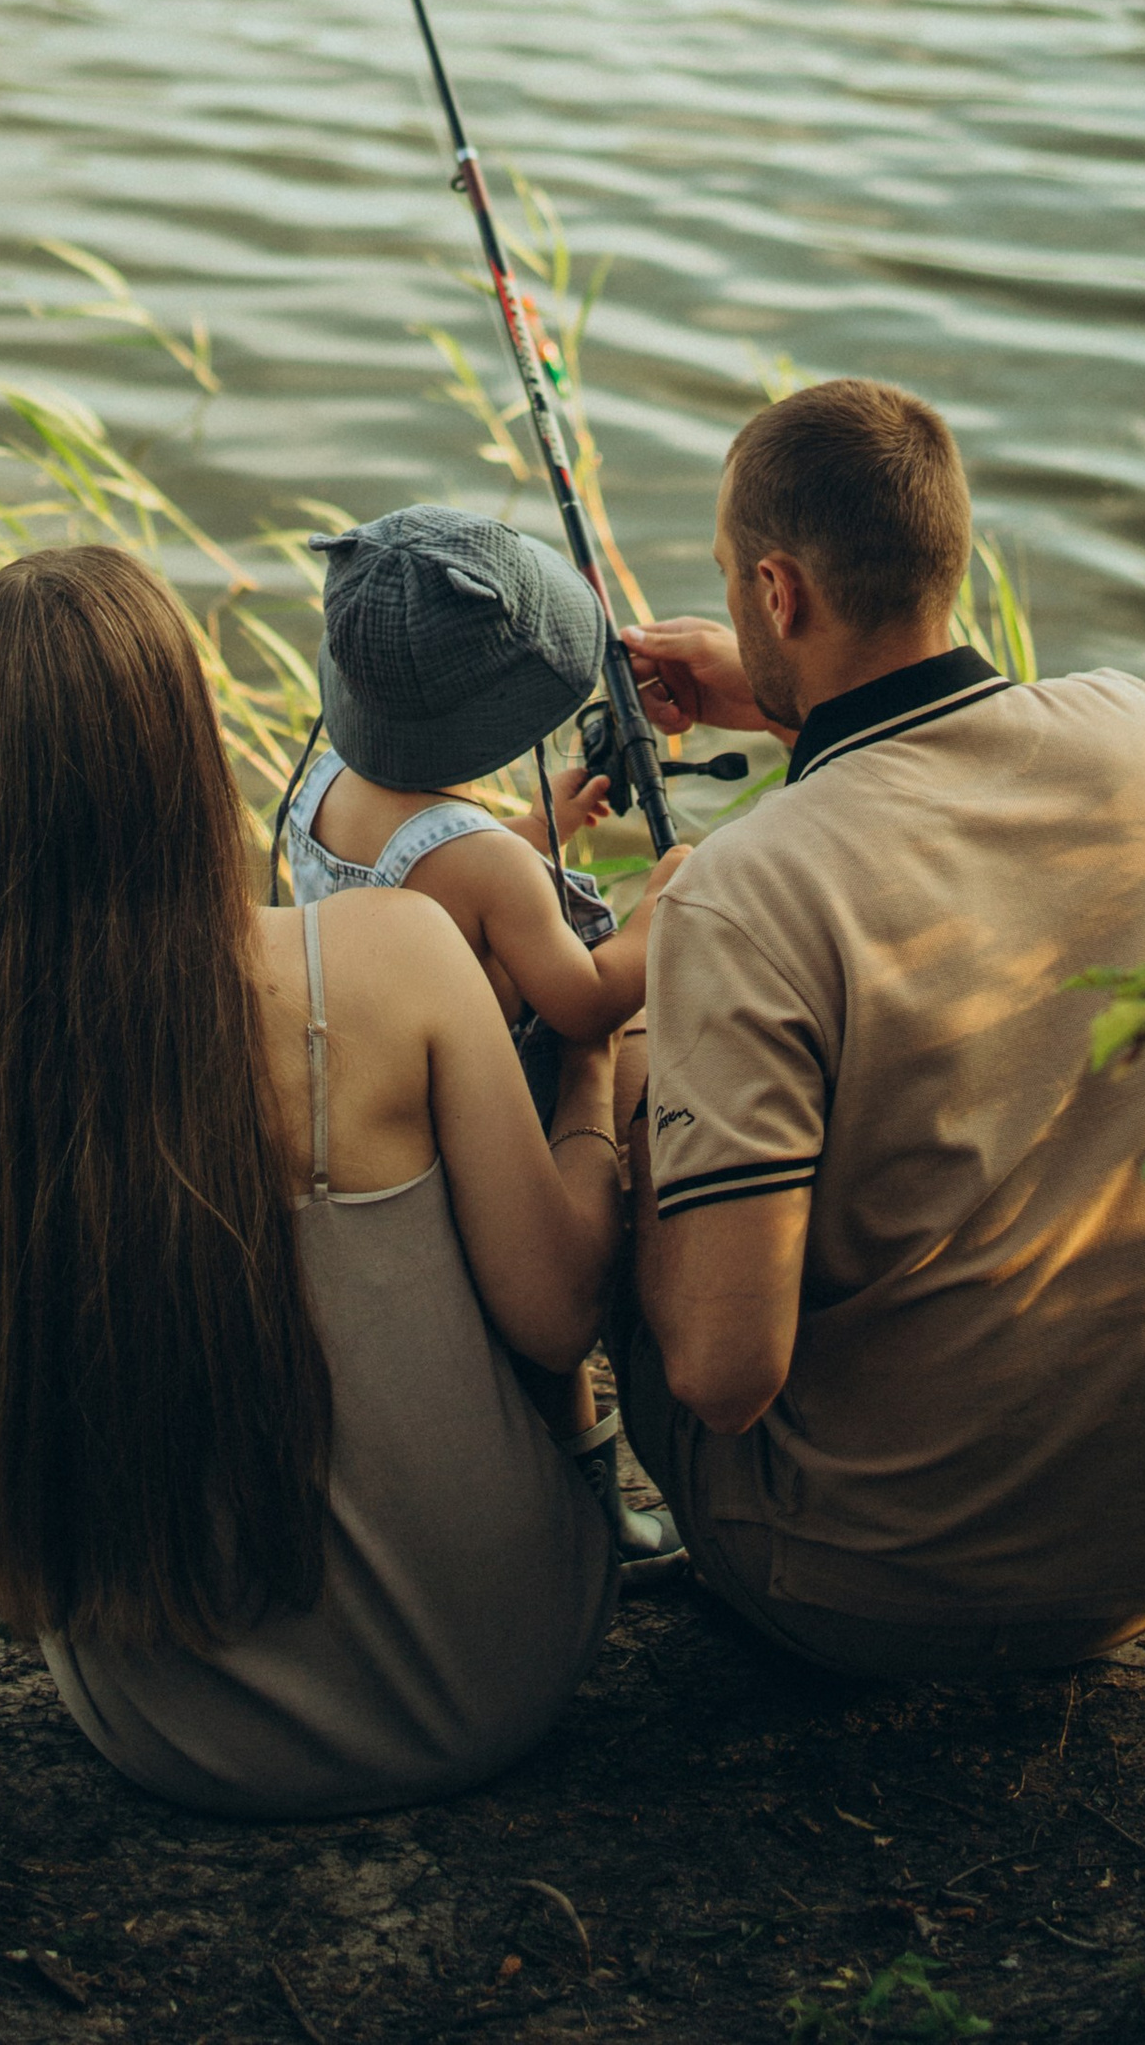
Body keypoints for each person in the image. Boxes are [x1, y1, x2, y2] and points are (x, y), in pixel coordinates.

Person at [0, 541, 622, 1819]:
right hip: (497, 1676)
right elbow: (560, 1314)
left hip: (164, 1728)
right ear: (184, 750)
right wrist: (596, 1075)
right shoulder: (385, 955)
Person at [614, 379, 1145, 1679]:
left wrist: (628, 1095)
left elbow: (721, 1374)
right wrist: (777, 700)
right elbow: (949, 752)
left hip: (883, 1597)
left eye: (731, 577)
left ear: (777, 593)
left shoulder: (739, 892)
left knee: (618, 1088)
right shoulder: (1134, 737)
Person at [286, 503, 690, 1572]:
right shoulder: (489, 868)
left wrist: (520, 834)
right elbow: (584, 1000)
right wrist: (665, 907)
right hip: (471, 1101)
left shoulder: (318, 788)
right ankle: (596, 1514)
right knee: (554, 1349)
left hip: (368, 1079)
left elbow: (419, 866)